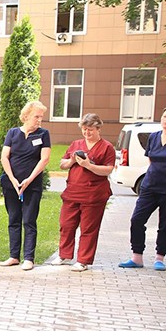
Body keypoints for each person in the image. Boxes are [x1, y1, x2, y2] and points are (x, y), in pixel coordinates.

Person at [120, 105, 166, 271]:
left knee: (165, 225)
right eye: (164, 116)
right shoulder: (154, 137)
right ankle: (137, 257)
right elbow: (150, 160)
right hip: (149, 186)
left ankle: (160, 257)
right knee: (137, 219)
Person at [54, 113, 116, 272]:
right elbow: (62, 164)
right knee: (66, 224)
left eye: (90, 130)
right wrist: (72, 161)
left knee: (88, 228)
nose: (87, 133)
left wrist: (89, 165)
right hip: (73, 191)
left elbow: (108, 169)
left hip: (94, 194)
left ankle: (83, 260)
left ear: (98, 129)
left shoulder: (107, 147)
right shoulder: (76, 144)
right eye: (84, 129)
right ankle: (64, 255)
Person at [0, 101, 51, 270]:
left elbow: (44, 159)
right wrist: (13, 179)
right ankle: (14, 256)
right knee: (13, 220)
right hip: (11, 184)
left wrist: (29, 179)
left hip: (32, 184)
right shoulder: (13, 133)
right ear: (26, 116)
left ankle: (29, 258)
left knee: (29, 220)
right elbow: (4, 157)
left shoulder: (43, 134)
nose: (39, 120)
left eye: (41, 117)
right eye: (36, 116)